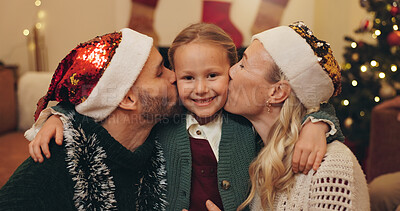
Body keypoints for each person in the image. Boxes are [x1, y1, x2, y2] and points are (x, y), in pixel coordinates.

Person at [27, 23, 344, 211]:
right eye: (187, 78)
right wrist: (58, 114)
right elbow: (96, 101)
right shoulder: (167, 115)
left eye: (213, 75)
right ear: (175, 78)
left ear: (232, 73)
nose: (201, 89)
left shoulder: (243, 117)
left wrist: (318, 123)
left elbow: (307, 99)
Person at [0, 28, 179, 210]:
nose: (174, 76)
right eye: (159, 73)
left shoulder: (165, 143)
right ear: (127, 99)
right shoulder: (54, 168)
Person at [207, 21, 368, 210]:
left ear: (276, 93)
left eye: (243, 65)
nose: (230, 71)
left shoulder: (331, 168)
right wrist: (320, 121)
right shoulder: (259, 153)